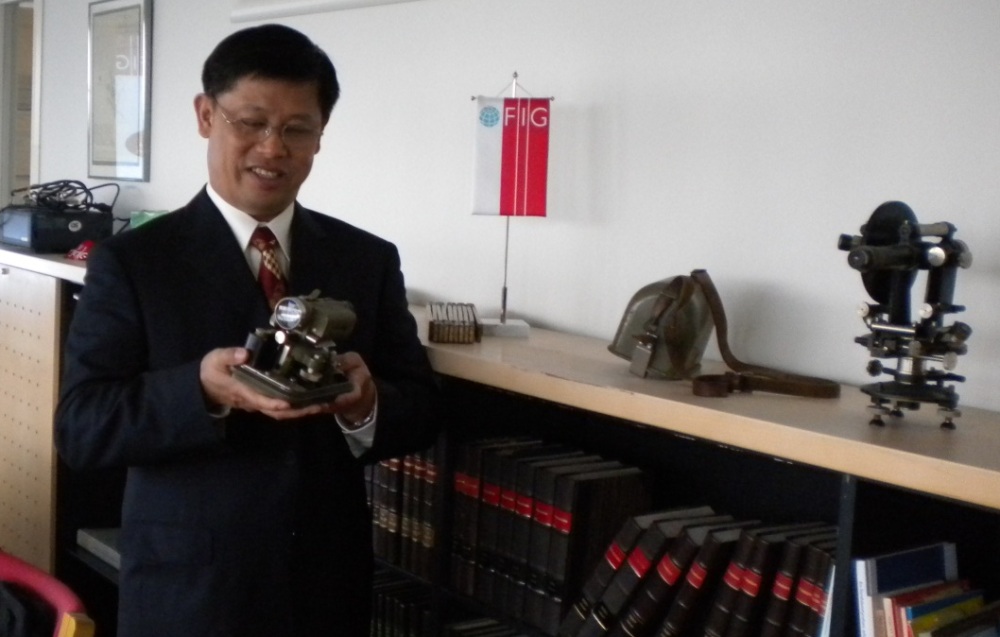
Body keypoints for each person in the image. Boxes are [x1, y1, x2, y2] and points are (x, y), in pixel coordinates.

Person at [55, 24, 438, 637]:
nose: (272, 148)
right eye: (251, 123)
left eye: (297, 129)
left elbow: (422, 408)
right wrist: (202, 391)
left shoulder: (366, 259)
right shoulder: (134, 262)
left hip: (325, 587)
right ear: (206, 115)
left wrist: (365, 406)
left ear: (320, 135)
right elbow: (82, 428)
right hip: (190, 592)